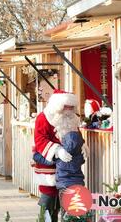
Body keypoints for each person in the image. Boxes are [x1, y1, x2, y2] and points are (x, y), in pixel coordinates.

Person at [33, 89, 89, 222]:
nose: (69, 110)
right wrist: (57, 150)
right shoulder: (43, 117)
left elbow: (77, 136)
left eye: (71, 106)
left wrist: (82, 146)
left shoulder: (72, 119)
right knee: (49, 199)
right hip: (50, 166)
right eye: (66, 106)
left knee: (68, 202)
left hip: (68, 170)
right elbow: (39, 139)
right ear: (58, 106)